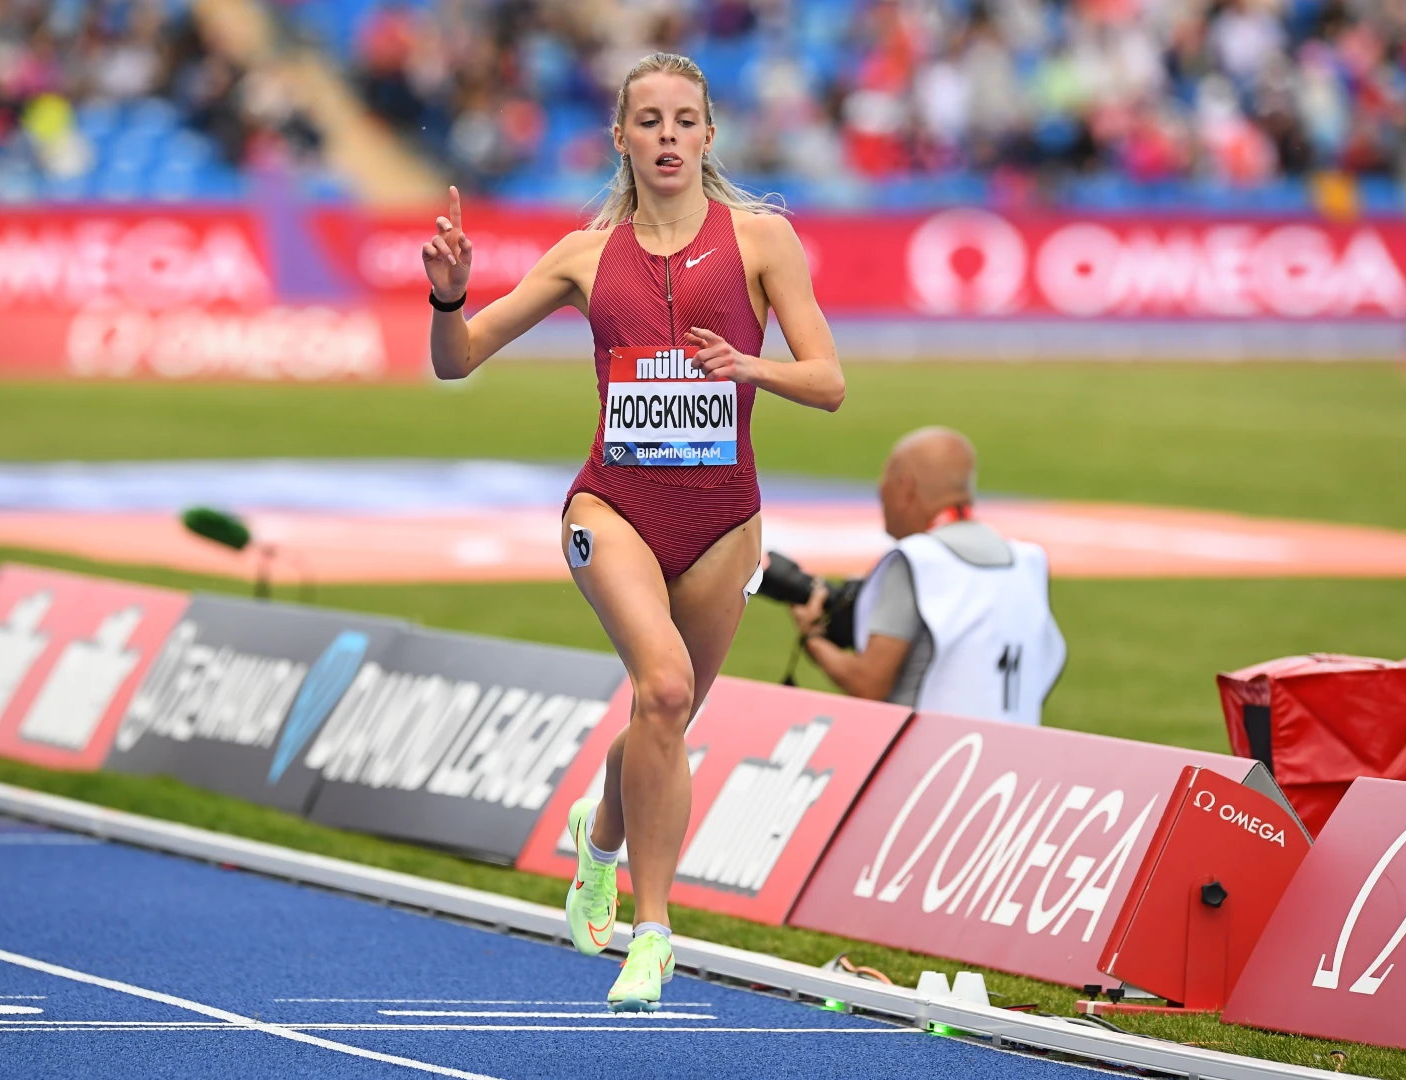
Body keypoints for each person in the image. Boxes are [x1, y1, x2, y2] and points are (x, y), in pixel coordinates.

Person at [420, 52, 843, 1011]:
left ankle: (598, 837)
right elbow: (459, 360)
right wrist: (450, 296)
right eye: (646, 121)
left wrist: (751, 366)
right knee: (661, 685)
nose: (666, 137)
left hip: (725, 518)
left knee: (665, 715)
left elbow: (829, 382)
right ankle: (653, 934)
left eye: (683, 120)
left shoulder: (764, 241)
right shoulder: (581, 257)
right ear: (619, 137)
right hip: (613, 505)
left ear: (708, 135)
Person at [790, 427, 1065, 724]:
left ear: (905, 488)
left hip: (940, 760)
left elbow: (868, 683)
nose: (879, 492)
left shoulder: (919, 560)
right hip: (1017, 757)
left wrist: (813, 637)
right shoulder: (1027, 562)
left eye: (884, 480)